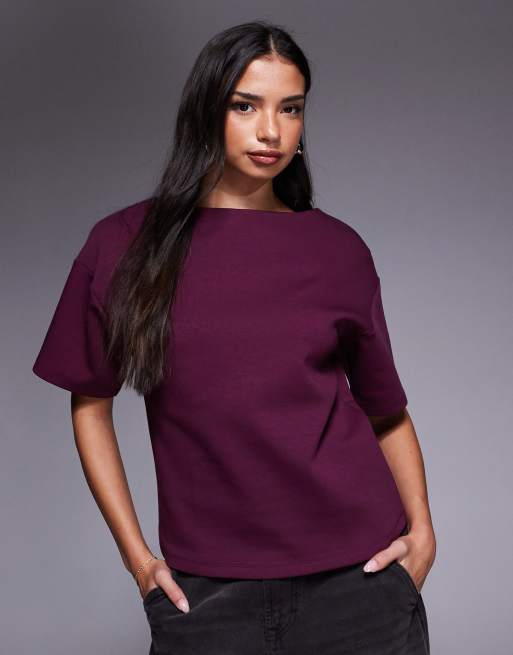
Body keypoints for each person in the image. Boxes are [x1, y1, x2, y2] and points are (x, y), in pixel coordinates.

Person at [32, 20, 436, 655]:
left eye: (290, 109)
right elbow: (90, 404)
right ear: (206, 110)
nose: (271, 130)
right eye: (245, 105)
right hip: (205, 599)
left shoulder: (338, 249)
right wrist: (140, 562)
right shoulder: (124, 244)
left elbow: (386, 411)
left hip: (358, 585)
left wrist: (423, 534)